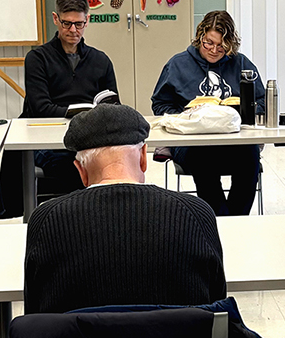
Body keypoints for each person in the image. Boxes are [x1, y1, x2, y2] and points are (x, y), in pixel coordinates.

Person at [24, 104, 225, 314]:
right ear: (143, 157)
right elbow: (218, 310)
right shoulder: (196, 214)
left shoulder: (46, 221)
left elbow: (34, 316)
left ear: (80, 170)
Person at [152, 11, 267, 216]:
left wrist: (246, 112)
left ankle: (237, 219)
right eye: (208, 43)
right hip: (193, 143)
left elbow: (261, 101)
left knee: (251, 157)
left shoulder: (241, 64)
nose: (214, 50)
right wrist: (186, 118)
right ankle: (220, 220)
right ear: (200, 38)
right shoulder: (178, 64)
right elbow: (160, 104)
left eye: (222, 46)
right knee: (203, 157)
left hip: (234, 141)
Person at [21, 0, 119, 198]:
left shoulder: (100, 60)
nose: (73, 30)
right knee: (73, 168)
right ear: (56, 19)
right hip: (49, 141)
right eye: (66, 24)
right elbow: (40, 109)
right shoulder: (37, 59)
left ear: (87, 20)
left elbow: (113, 106)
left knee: (117, 166)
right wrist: (81, 114)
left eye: (79, 24)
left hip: (89, 140)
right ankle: (72, 223)